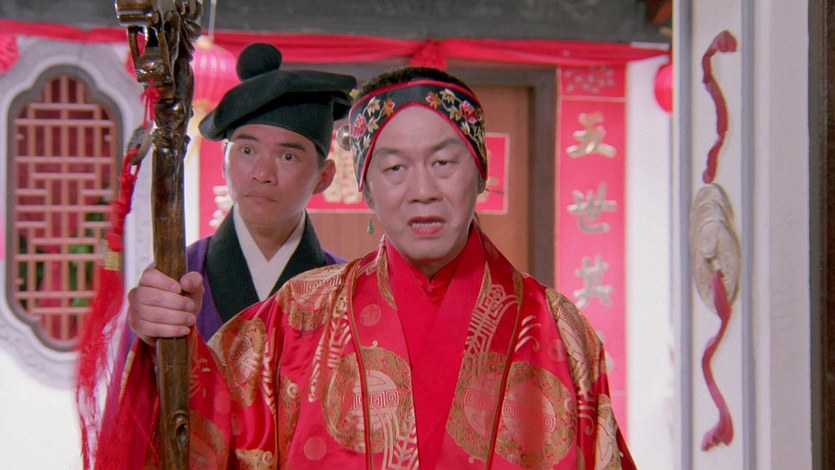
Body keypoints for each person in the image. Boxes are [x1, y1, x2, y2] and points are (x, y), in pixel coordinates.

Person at [112, 66, 635, 469]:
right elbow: (205, 426)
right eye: (394, 167)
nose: (422, 190)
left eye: (443, 162)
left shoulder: (557, 329)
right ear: (364, 187)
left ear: (480, 171)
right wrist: (166, 343)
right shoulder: (298, 315)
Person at [130, 42, 356, 341]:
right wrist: (146, 338)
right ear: (224, 162)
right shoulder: (174, 278)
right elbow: (134, 370)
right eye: (247, 150)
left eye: (288, 156)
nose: (263, 174)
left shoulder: (348, 291)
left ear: (324, 177)